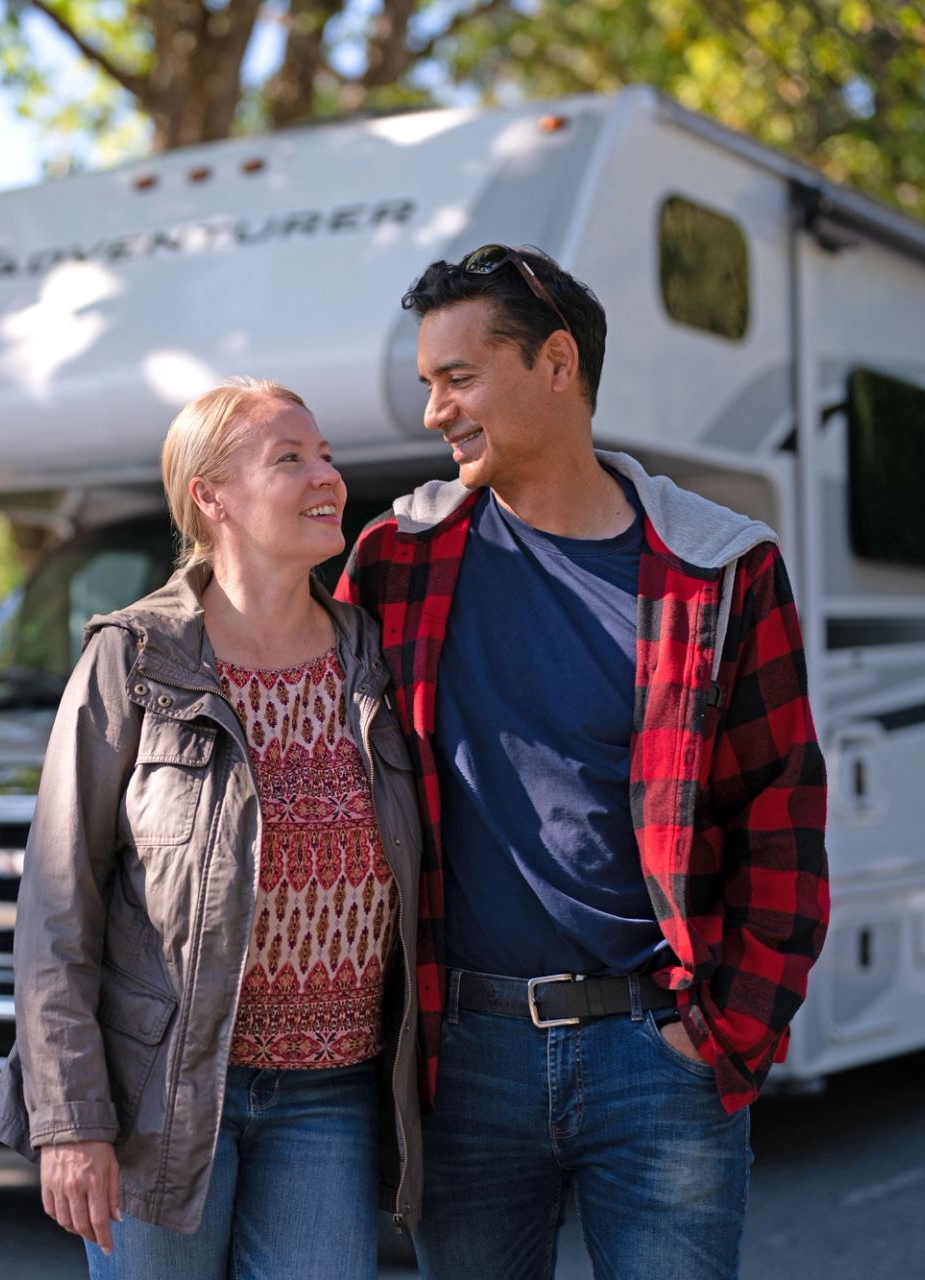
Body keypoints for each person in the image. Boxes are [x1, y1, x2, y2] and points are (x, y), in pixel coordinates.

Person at [335, 245, 829, 1280]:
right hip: (461, 1059)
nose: (434, 413)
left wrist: (726, 1028)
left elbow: (782, 817)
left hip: (657, 1055)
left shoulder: (722, 568)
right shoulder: (393, 561)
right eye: (429, 384)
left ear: (557, 362)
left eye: (458, 378)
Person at [0, 376, 426, 1279]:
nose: (327, 478)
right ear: (211, 497)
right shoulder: (135, 656)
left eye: (329, 457)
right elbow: (56, 903)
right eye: (290, 459)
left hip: (332, 1095)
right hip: (162, 1094)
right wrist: (72, 1122)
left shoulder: (371, 657)